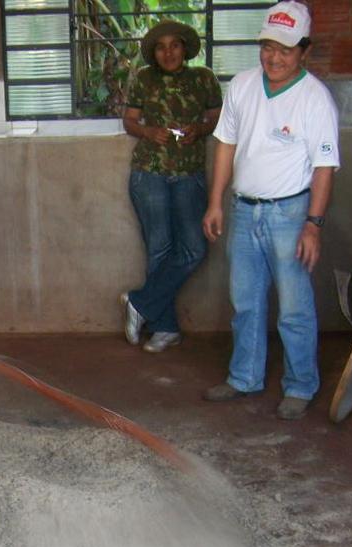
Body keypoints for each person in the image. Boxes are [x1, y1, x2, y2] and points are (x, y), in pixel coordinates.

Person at [200, 0, 338, 420]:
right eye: (267, 46)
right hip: (245, 209)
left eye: (285, 49)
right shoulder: (241, 86)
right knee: (245, 301)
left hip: (290, 214)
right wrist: (216, 202)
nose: (274, 57)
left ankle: (299, 385)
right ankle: (244, 377)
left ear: (304, 51)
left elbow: (324, 166)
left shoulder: (316, 99)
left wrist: (313, 226)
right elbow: (225, 144)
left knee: (294, 307)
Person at [121, 19, 222, 353]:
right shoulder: (143, 78)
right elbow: (130, 120)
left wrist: (199, 129)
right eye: (161, 47)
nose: (168, 52)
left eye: (174, 45)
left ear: (185, 48)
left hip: (189, 174)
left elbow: (218, 117)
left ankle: (140, 302)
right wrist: (148, 132)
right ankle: (165, 329)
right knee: (160, 249)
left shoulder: (203, 78)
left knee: (194, 248)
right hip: (149, 173)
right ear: (154, 52)